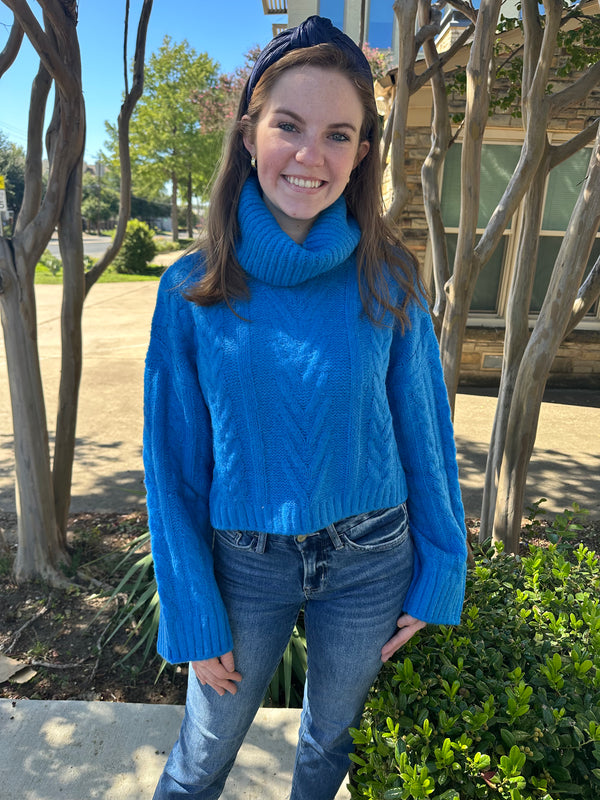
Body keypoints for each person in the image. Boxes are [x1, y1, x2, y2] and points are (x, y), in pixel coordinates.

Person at [144, 15, 467, 800]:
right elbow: (174, 465)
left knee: (329, 745)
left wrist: (441, 567)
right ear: (251, 134)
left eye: (337, 135)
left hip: (371, 562)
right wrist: (190, 606)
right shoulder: (191, 289)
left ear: (361, 155)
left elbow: (424, 435)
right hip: (242, 569)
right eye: (289, 126)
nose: (309, 156)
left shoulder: (387, 277)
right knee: (202, 755)